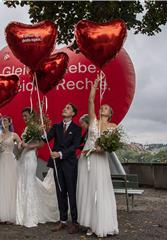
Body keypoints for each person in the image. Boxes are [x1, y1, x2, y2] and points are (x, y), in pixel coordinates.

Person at [77, 73, 119, 237]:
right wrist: (95, 84)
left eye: (106, 108)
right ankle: (90, 223)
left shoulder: (113, 127)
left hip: (100, 160)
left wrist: (98, 149)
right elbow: (90, 101)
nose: (103, 108)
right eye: (102, 107)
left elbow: (110, 147)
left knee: (100, 188)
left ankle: (102, 223)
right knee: (88, 189)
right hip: (86, 158)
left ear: (110, 114)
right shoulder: (93, 120)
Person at [15, 108, 59, 228]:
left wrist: (28, 146)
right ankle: (22, 214)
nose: (24, 118)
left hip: (30, 157)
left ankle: (30, 215)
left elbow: (41, 144)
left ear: (31, 115)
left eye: (26, 115)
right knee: (23, 182)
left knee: (29, 182)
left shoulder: (37, 128)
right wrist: (20, 145)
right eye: (23, 116)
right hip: (23, 156)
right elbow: (24, 142)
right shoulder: (27, 129)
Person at [43, 103, 82, 234]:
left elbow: (75, 146)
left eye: (68, 108)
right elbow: (46, 139)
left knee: (71, 192)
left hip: (70, 164)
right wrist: (41, 131)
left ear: (73, 113)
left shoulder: (77, 129)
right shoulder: (56, 126)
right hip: (57, 165)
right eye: (64, 107)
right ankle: (63, 220)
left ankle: (75, 222)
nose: (64, 109)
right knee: (61, 192)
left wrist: (60, 154)